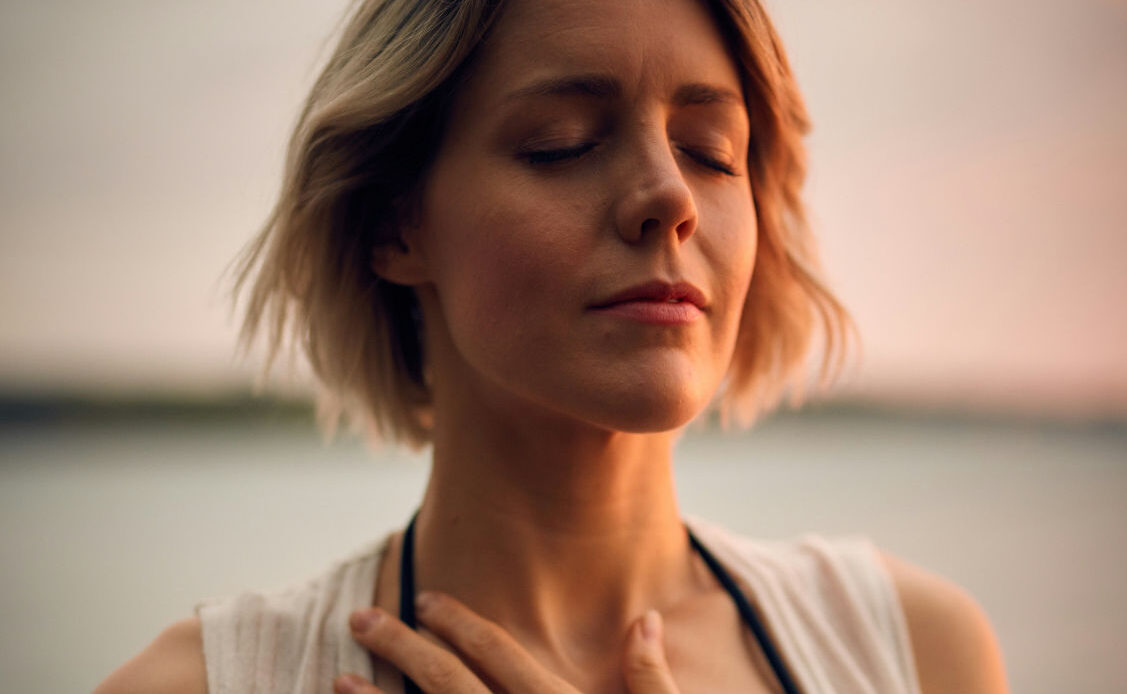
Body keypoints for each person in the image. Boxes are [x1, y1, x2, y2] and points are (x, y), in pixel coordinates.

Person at [94, 0, 1009, 692]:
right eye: (561, 144)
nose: (668, 195)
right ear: (395, 224)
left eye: (710, 149)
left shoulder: (913, 651)